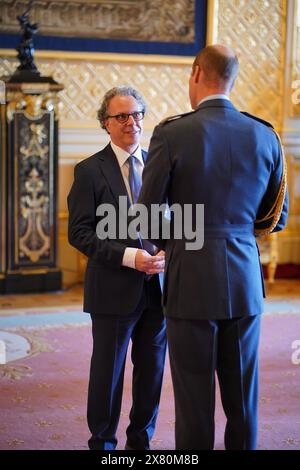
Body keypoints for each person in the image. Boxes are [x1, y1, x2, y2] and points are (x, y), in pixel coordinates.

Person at [138, 45, 288, 450]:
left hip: (190, 285)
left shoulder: (171, 133)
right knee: (243, 402)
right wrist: (235, 233)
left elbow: (147, 215)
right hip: (244, 282)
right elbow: (277, 216)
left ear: (196, 72)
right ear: (232, 79)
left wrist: (185, 242)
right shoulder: (265, 134)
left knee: (194, 403)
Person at [67, 86, 167, 450]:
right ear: (105, 124)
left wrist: (168, 252)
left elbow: (174, 221)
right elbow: (79, 233)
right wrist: (130, 257)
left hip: (158, 288)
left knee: (152, 373)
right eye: (121, 116)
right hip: (112, 288)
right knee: (108, 374)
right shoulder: (89, 171)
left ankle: (140, 444)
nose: (132, 122)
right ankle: (103, 445)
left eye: (137, 114)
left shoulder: (161, 164)